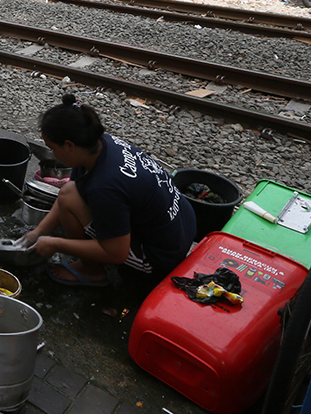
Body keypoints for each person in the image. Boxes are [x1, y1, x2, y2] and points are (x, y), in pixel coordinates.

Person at [23, 94, 195, 287]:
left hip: (158, 257)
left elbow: (116, 253)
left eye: (52, 148)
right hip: (183, 225)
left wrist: (54, 244)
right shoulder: (100, 144)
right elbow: (67, 196)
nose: (52, 153)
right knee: (69, 192)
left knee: (73, 202)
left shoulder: (104, 187)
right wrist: (37, 233)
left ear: (69, 146)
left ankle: (92, 271)